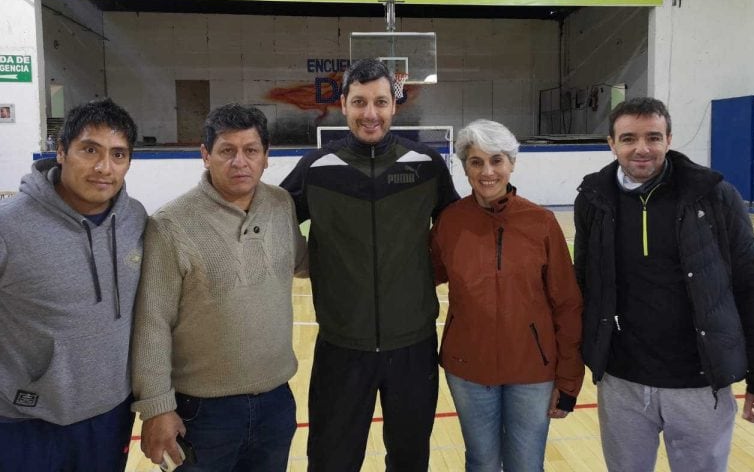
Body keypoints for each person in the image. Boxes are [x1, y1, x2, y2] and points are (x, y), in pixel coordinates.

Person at [280, 58, 459, 471]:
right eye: (359, 102)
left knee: (410, 459)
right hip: (342, 347)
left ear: (395, 106)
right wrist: (306, 262)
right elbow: (269, 221)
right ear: (343, 105)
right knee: (331, 461)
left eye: (380, 102)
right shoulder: (317, 169)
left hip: (413, 346)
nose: (370, 114)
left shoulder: (426, 166)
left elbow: (457, 233)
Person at [574, 97, 754, 472]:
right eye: (628, 138)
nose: (641, 148)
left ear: (669, 139)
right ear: (611, 143)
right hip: (622, 382)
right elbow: (584, 283)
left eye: (653, 137)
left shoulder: (714, 195)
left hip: (700, 382)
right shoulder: (593, 199)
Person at [131, 103, 307, 472]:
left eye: (251, 150)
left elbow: (303, 264)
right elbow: (151, 322)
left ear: (266, 157)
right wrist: (157, 407)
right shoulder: (170, 225)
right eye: (227, 150)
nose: (239, 161)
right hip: (202, 412)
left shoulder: (280, 204)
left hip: (276, 403)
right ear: (205, 156)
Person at [0, 98, 147, 472]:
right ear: (61, 151)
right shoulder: (9, 227)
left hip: (110, 415)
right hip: (23, 420)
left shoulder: (135, 219)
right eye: (89, 150)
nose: (104, 167)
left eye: (118, 154)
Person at [430, 119, 584, 472]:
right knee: (481, 463)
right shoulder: (450, 222)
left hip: (533, 372)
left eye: (497, 160)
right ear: (464, 166)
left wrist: (569, 378)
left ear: (512, 164)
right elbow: (422, 280)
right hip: (468, 370)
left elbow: (567, 303)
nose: (487, 172)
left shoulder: (541, 223)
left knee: (527, 465)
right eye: (476, 162)